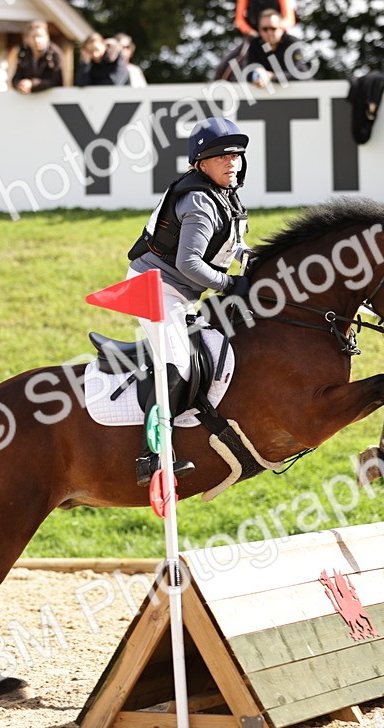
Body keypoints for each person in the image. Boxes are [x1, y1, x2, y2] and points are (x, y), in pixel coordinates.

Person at [125, 118, 254, 486]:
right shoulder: (199, 200)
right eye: (222, 157)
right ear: (201, 163)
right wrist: (231, 283)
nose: (233, 163)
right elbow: (190, 263)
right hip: (156, 288)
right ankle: (151, 458)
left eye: (236, 156)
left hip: (181, 291)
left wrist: (250, 259)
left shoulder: (224, 194)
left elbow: (227, 246)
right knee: (178, 363)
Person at [238, 8, 314, 86]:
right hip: (269, 95)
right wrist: (256, 75)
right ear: (259, 30)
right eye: (265, 29)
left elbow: (296, 73)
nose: (269, 32)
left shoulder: (293, 43)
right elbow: (247, 72)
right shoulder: (254, 44)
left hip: (302, 92)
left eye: (273, 28)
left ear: (281, 28)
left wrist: (271, 76)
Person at [12, 20, 64, 93]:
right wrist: (21, 84)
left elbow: (56, 81)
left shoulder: (55, 54)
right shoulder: (23, 54)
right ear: (27, 39)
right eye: (33, 37)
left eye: (40, 36)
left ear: (47, 37)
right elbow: (15, 79)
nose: (37, 40)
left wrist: (32, 84)